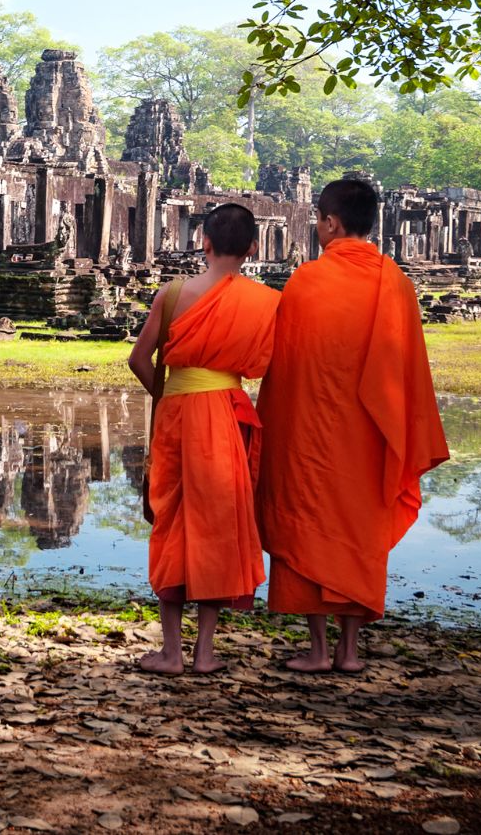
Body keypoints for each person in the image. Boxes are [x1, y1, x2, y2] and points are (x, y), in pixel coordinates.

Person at [256, 178, 449, 672]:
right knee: (358, 529)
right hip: (370, 437)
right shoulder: (397, 283)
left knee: (307, 526)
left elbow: (286, 368)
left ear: (331, 222)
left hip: (310, 435)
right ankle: (349, 651)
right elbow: (408, 370)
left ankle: (319, 650)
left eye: (319, 220)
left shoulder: (307, 281)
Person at [126, 203, 280, 675]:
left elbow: (139, 359)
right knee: (218, 525)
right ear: (254, 248)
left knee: (172, 520)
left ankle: (170, 652)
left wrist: (172, 394)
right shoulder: (266, 301)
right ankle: (205, 653)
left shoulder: (172, 295)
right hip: (226, 415)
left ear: (204, 242)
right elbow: (266, 365)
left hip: (177, 416)